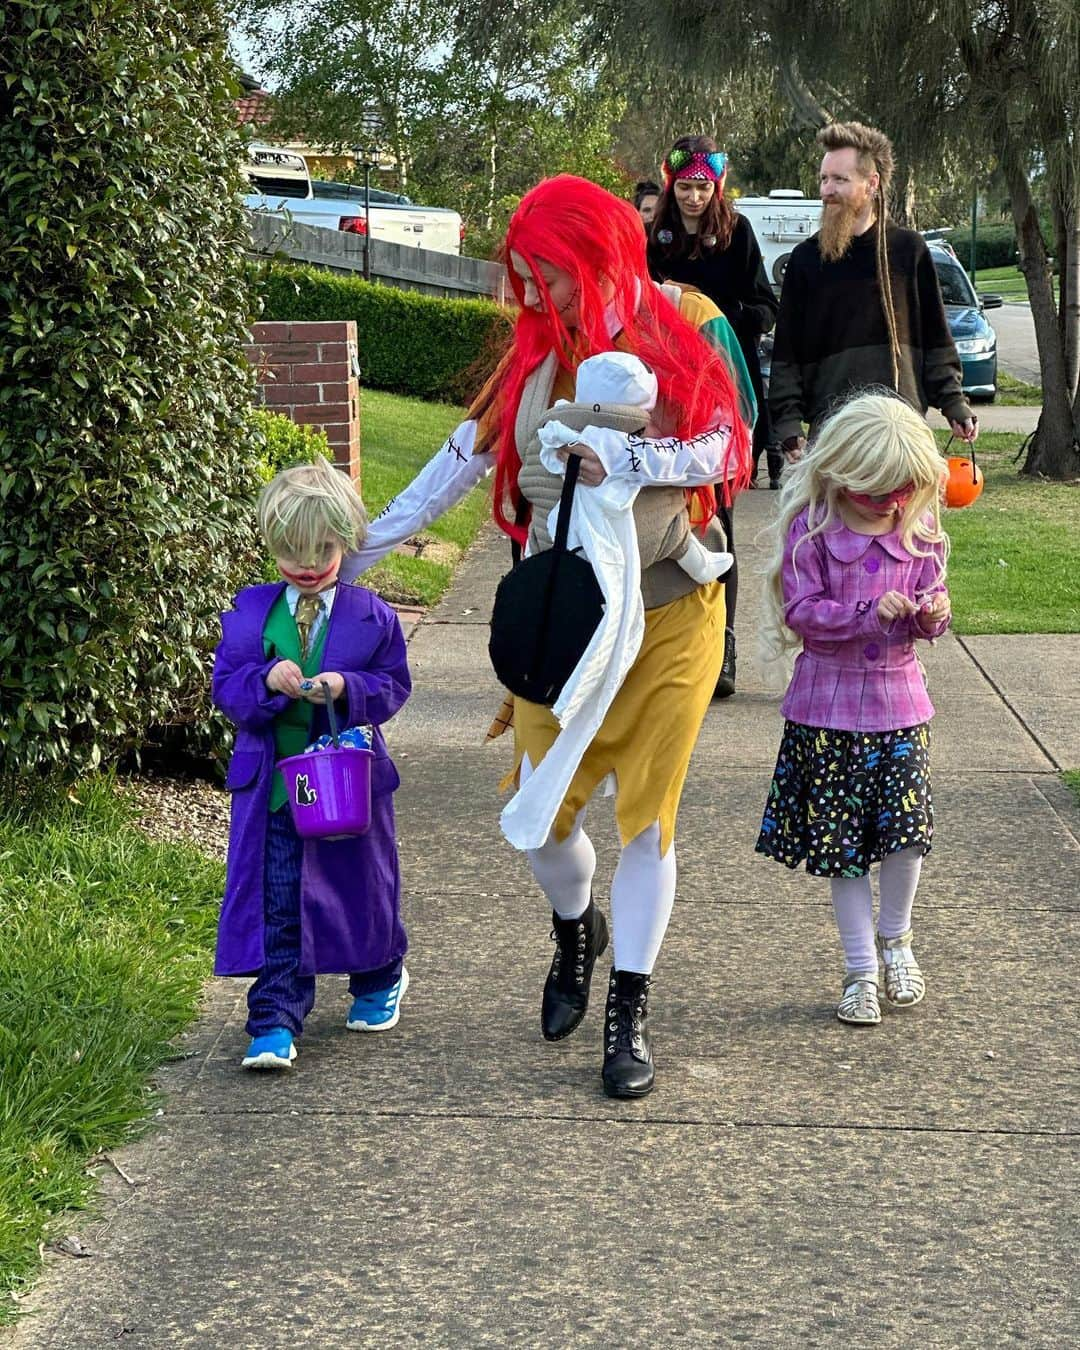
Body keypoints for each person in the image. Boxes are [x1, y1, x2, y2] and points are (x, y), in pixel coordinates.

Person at [340, 174, 751, 1098]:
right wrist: (354, 554)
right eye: (528, 280)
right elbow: (461, 455)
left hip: (670, 615)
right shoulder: (536, 352)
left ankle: (631, 1007)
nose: (542, 298)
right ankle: (577, 928)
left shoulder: (687, 320)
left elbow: (727, 446)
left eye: (553, 276)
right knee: (538, 822)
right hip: (562, 630)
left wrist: (630, 458)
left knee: (649, 821)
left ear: (598, 249)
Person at [755, 392, 951, 1026]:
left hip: (901, 707)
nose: (892, 504)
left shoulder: (919, 528)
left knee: (905, 840)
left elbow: (933, 597)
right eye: (878, 492)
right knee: (843, 848)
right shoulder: (812, 527)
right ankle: (860, 967)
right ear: (841, 471)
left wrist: (932, 615)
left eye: (903, 491)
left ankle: (897, 940)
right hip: (828, 709)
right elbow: (800, 611)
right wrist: (865, 612)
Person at [212, 457, 412, 1070]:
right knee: (279, 896)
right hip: (275, 788)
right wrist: (266, 679)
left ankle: (379, 975)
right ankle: (273, 1016)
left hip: (345, 783)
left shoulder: (370, 615)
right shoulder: (251, 612)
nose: (306, 564)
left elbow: (392, 687)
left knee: (360, 886)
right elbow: (228, 688)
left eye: (322, 549)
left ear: (345, 540)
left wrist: (347, 687)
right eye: (290, 551)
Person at [647, 134, 780, 698]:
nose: (694, 197)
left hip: (725, 389)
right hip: (669, 392)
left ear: (717, 188)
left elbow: (766, 307)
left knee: (720, 519)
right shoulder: (659, 236)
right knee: (661, 523)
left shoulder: (738, 234)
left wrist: (718, 318)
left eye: (703, 186)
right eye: (684, 186)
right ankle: (665, 646)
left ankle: (722, 652)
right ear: (670, 185)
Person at [769, 121, 979, 461]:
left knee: (905, 515)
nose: (827, 190)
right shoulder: (807, 259)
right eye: (824, 179)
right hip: (833, 435)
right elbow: (787, 352)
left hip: (901, 431)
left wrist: (954, 403)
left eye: (840, 179)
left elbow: (937, 338)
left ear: (872, 184)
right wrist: (789, 423)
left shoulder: (909, 251)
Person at [536, 349, 733, 585]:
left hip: (567, 556)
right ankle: (698, 562)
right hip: (605, 549)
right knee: (669, 521)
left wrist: (624, 456)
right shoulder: (560, 434)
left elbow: (731, 445)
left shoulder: (554, 431)